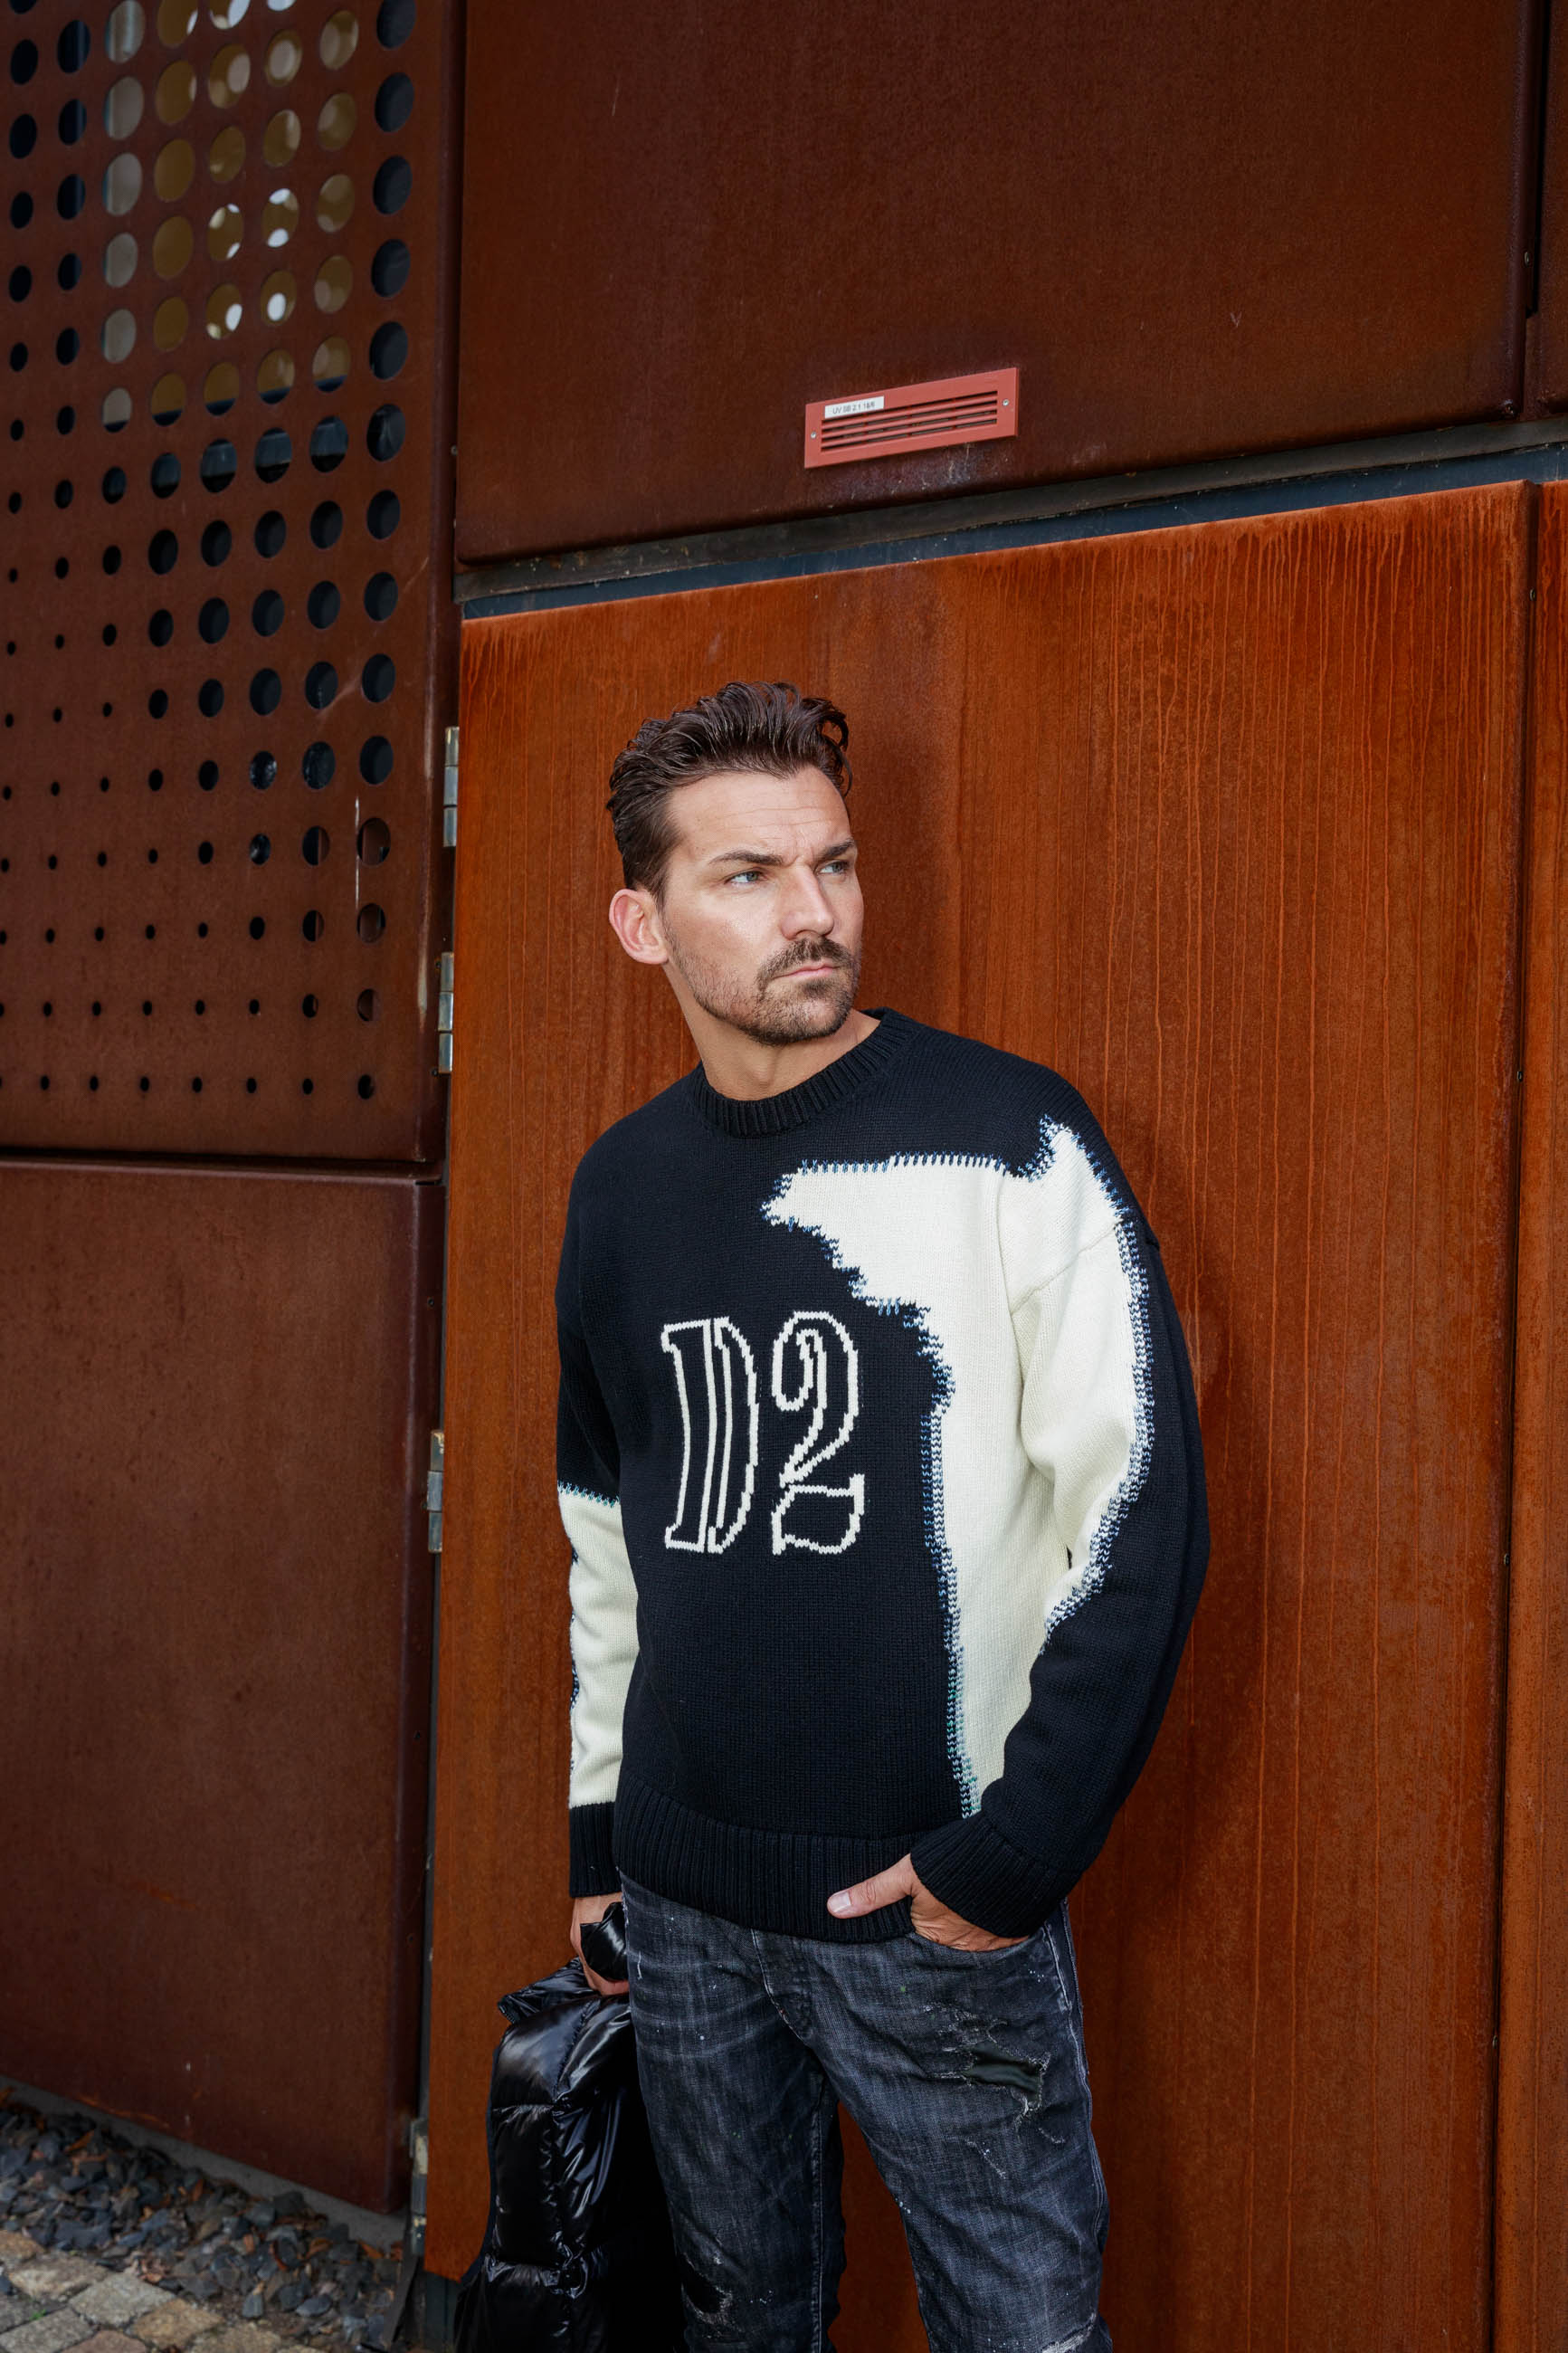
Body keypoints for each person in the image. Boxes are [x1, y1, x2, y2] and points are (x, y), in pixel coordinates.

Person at [555, 680, 1208, 2353]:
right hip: (682, 1905)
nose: (815, 913)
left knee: (1019, 2332)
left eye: (833, 865)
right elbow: (607, 1529)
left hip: (929, 1908)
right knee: (740, 2321)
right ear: (642, 921)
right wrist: (601, 1838)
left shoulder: (1008, 1141)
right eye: (748, 875)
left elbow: (1138, 1514)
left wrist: (1016, 1852)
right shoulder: (620, 1187)